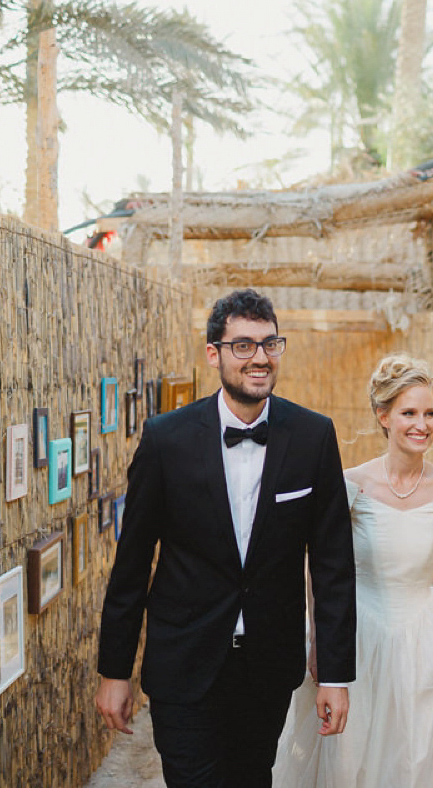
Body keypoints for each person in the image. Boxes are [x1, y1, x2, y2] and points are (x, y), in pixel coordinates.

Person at [95, 289, 356, 788]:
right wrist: (115, 670)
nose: (259, 358)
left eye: (269, 344)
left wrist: (335, 677)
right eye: (243, 346)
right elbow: (130, 565)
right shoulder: (165, 439)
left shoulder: (313, 436)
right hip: (183, 661)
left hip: (268, 665)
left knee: (252, 779)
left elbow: (333, 567)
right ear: (213, 353)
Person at [273, 354, 433, 787]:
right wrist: (318, 641)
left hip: (424, 637)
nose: (421, 425)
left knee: (418, 754)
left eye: (429, 414)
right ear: (383, 416)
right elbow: (320, 568)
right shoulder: (351, 485)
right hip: (359, 635)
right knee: (354, 752)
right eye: (409, 413)